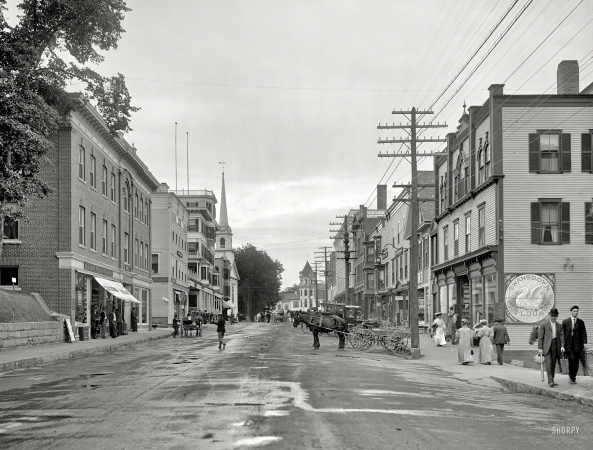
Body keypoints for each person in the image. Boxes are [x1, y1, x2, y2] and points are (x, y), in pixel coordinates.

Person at [561, 305, 588, 384]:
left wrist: (585, 343)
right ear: (571, 312)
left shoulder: (581, 322)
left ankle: (573, 377)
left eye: (577, 311)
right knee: (572, 359)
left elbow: (584, 333)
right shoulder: (565, 321)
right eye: (574, 311)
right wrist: (562, 345)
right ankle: (571, 377)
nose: (576, 313)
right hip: (569, 346)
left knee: (576, 362)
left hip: (578, 346)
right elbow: (562, 334)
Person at [538, 307, 563, 387]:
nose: (553, 317)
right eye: (552, 316)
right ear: (549, 315)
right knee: (548, 363)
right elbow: (540, 337)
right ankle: (551, 380)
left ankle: (552, 379)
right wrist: (540, 348)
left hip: (556, 345)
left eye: (555, 316)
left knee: (553, 363)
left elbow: (562, 337)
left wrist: (562, 346)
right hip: (547, 347)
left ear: (557, 316)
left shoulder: (559, 325)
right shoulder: (544, 325)